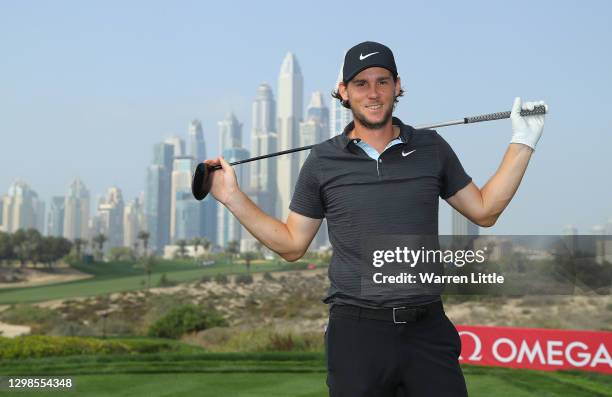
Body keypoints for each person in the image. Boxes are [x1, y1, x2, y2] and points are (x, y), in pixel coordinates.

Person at [203, 41, 547, 397]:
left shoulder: (432, 149)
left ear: (397, 87)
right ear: (343, 92)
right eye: (361, 84)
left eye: (382, 81)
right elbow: (292, 245)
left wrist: (523, 141)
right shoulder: (322, 161)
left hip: (427, 329)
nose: (373, 93)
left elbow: (484, 211)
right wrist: (232, 196)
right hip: (357, 333)